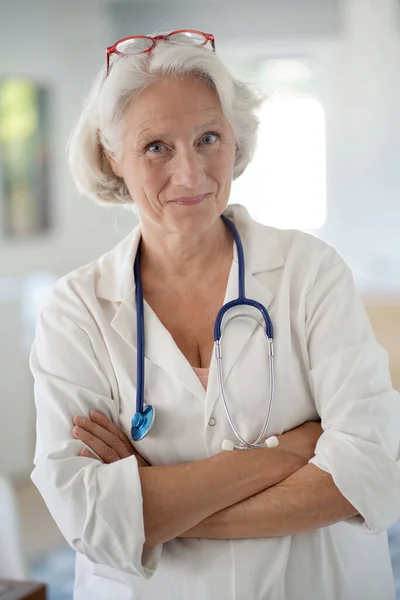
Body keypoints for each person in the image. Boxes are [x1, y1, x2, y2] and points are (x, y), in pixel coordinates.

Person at [30, 30, 400, 600]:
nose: (191, 174)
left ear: (236, 141)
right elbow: (85, 516)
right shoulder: (77, 309)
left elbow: (372, 474)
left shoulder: (310, 271)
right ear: (113, 157)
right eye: (156, 146)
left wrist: (151, 510)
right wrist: (291, 452)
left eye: (209, 138)